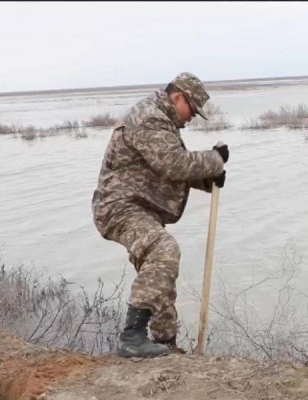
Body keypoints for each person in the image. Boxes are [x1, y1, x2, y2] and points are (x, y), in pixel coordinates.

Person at [91, 72, 229, 358]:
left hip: (139, 207)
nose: (192, 118)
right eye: (192, 109)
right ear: (178, 97)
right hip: (120, 207)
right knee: (164, 251)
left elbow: (160, 168)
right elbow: (174, 164)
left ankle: (166, 344)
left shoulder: (162, 122)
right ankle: (133, 337)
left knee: (159, 276)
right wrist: (213, 160)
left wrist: (206, 180)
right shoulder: (149, 117)